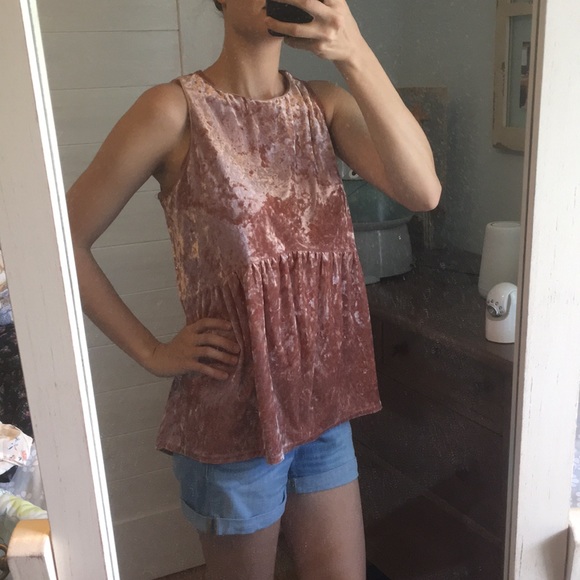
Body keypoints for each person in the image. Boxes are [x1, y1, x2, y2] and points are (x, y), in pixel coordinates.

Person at [67, 0, 441, 578]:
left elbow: (423, 191)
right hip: (232, 415)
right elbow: (63, 240)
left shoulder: (323, 104)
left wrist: (355, 52)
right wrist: (151, 351)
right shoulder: (174, 110)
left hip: (322, 405)